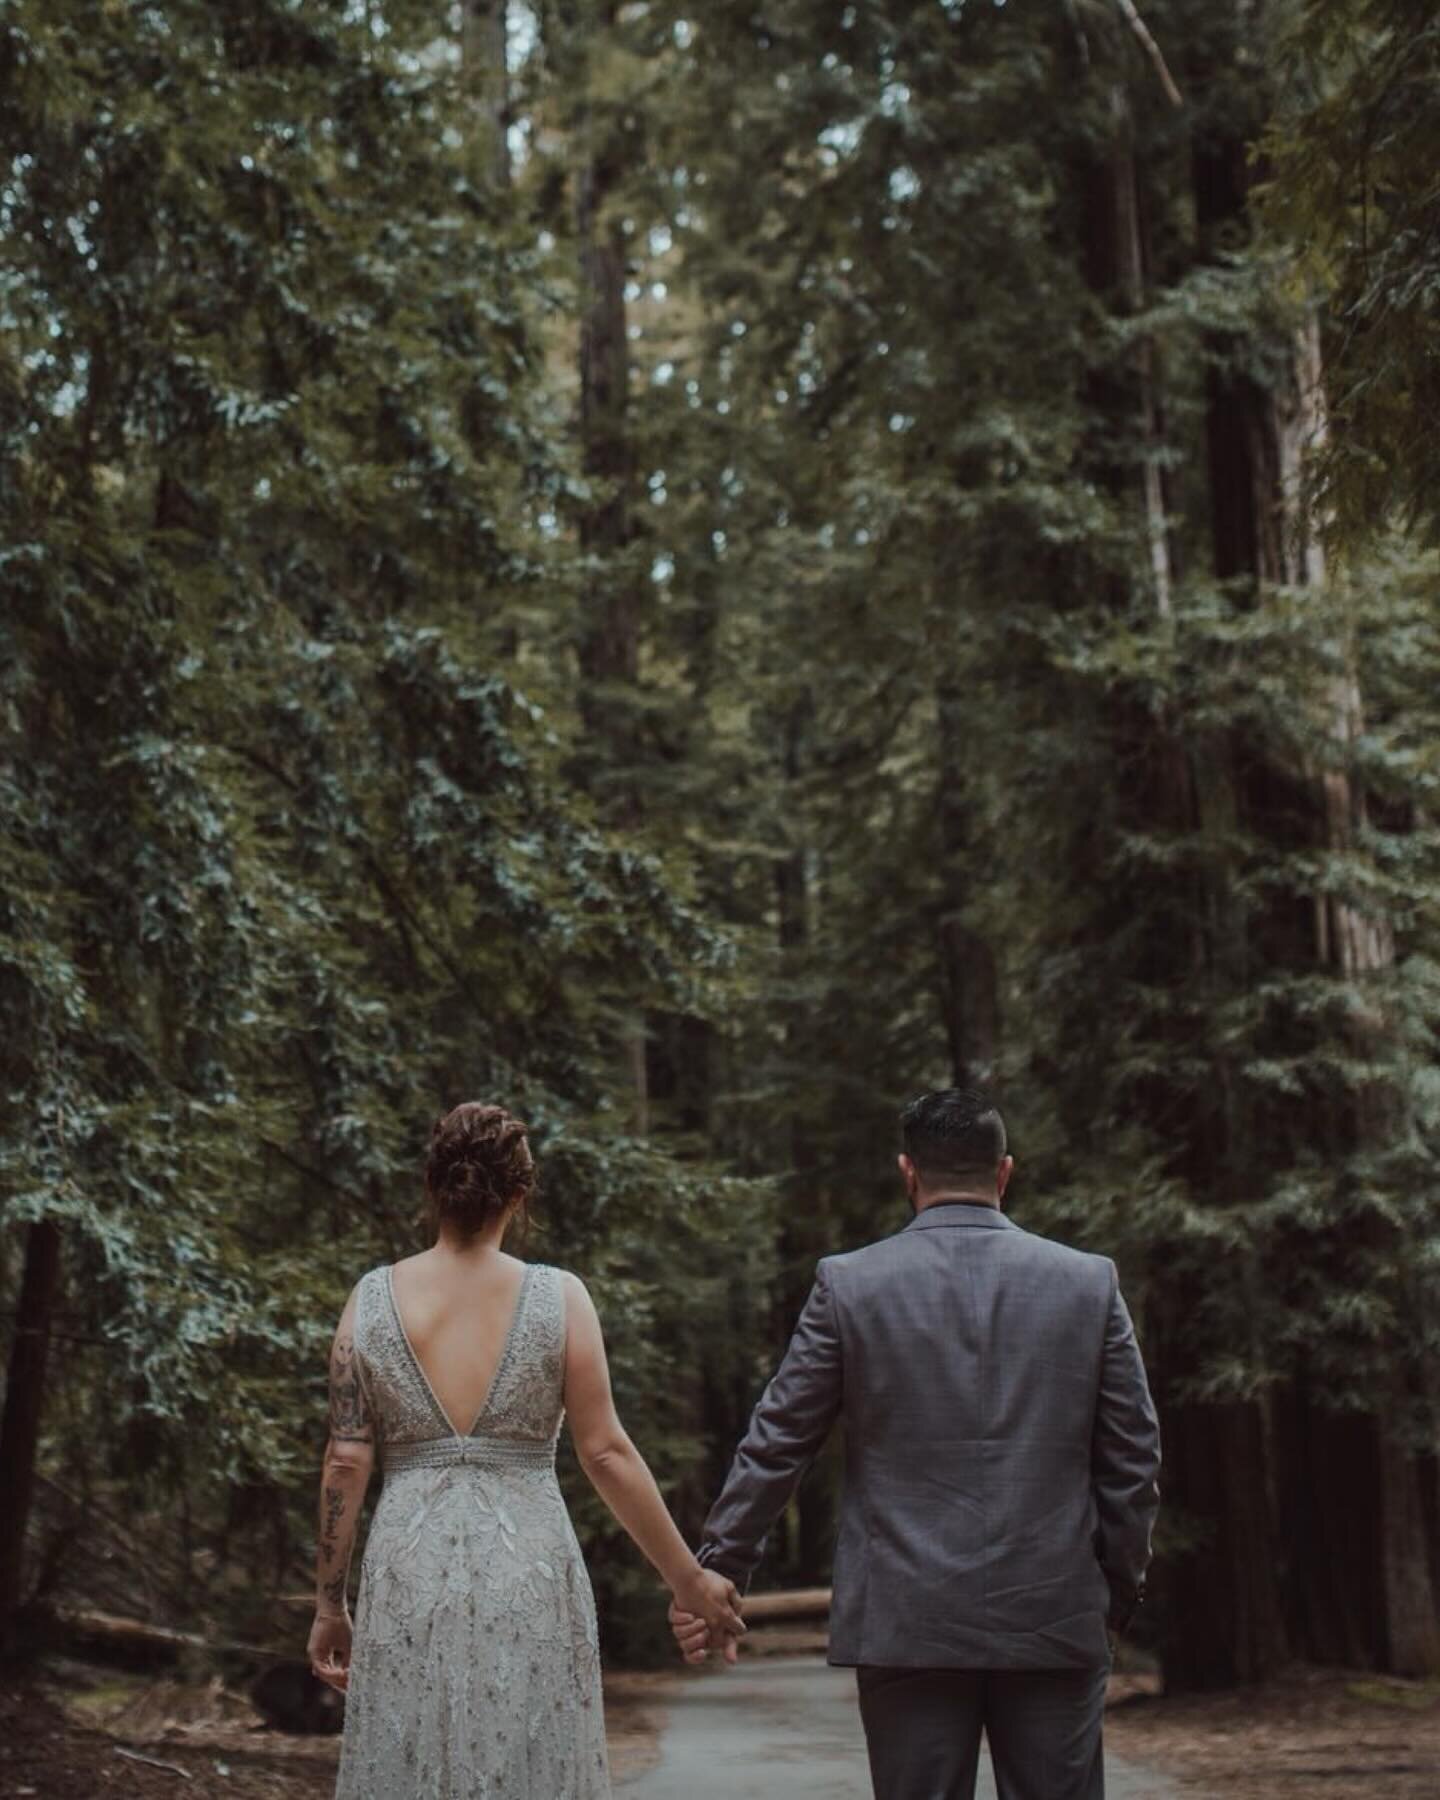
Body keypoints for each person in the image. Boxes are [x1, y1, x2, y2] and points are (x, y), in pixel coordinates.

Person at [671, 1087, 1161, 1800]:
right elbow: (1133, 1459)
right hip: (1054, 1610)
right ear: (1004, 1173)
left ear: (908, 1174)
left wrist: (719, 1569)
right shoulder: (1088, 1283)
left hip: (908, 1617)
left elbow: (778, 1442)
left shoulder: (850, 1285)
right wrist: (1115, 1587)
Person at [307, 1101, 744, 1799]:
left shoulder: (370, 1300)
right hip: (528, 1572)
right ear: (520, 1192)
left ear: (432, 1187)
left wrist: (331, 1604)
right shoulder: (558, 1297)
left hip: (407, 1571)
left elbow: (346, 1460)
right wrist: (688, 1579)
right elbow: (605, 1454)